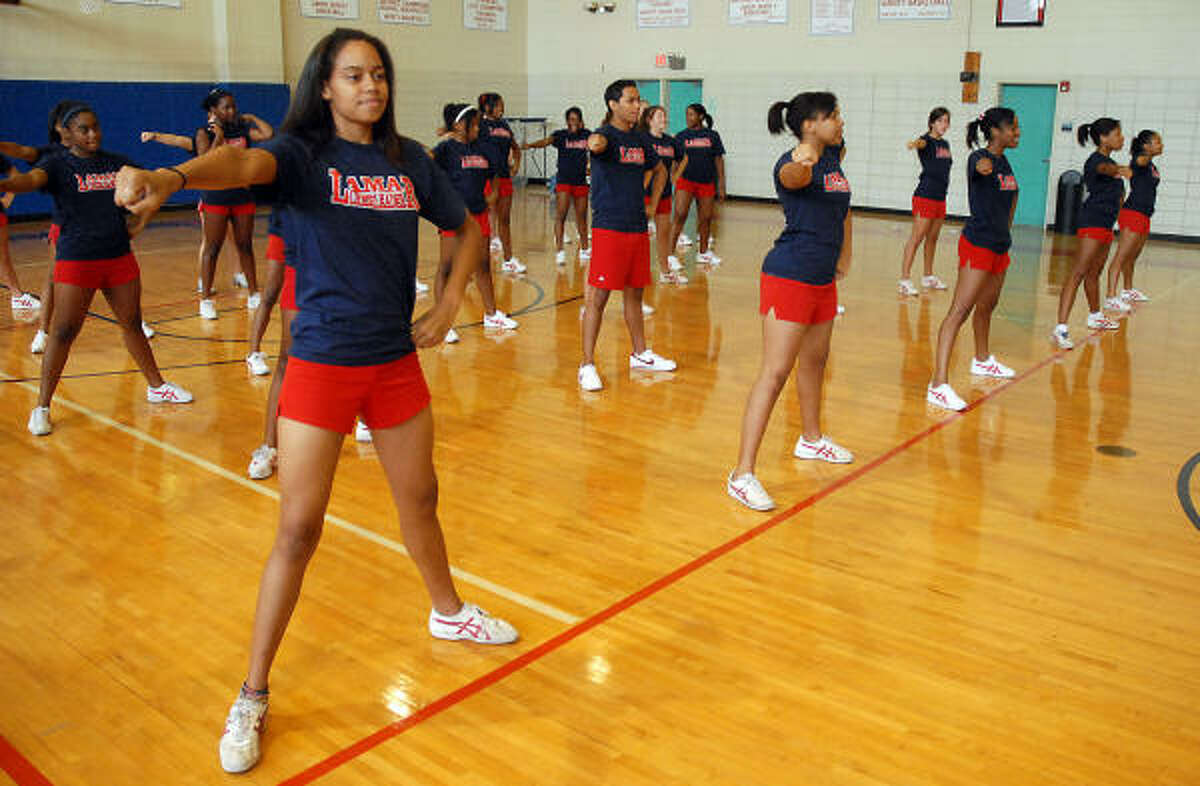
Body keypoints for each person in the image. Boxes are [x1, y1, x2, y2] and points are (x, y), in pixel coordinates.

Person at [114, 28, 519, 774]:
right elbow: (241, 162)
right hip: (323, 363)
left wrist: (449, 302)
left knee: (421, 499)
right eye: (354, 75)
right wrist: (171, 177)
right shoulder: (302, 155)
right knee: (298, 530)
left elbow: (465, 230)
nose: (371, 86)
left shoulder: (409, 160)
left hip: (393, 360)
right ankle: (252, 693)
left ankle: (449, 612)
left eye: (379, 74)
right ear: (325, 86)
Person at [0, 103, 193, 436]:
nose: (93, 134)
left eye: (96, 127)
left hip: (118, 256)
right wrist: (10, 183)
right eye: (84, 129)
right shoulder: (57, 164)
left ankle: (157, 387)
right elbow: (30, 181)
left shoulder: (117, 163)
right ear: (67, 133)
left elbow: (154, 187)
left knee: (132, 323)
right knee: (63, 331)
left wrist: (142, 222)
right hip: (77, 259)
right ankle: (42, 406)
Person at [727, 91, 853, 512]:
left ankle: (811, 439)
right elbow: (792, 179)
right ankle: (742, 474)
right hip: (789, 275)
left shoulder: (834, 159)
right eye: (833, 115)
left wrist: (845, 255)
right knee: (776, 371)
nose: (840, 121)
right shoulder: (792, 161)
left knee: (816, 362)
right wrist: (804, 160)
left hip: (821, 277)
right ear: (809, 125)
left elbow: (843, 209)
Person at [578, 79, 676, 393]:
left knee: (635, 294)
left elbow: (660, 171)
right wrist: (593, 142)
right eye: (630, 101)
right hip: (609, 225)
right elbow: (596, 144)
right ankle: (586, 364)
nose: (637, 106)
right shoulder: (606, 135)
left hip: (636, 225)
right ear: (613, 104)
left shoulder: (640, 139)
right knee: (598, 298)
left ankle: (640, 354)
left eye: (638, 100)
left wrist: (652, 204)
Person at [926, 107, 1021, 412]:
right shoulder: (979, 158)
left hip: (999, 246)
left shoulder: (1005, 161)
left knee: (987, 306)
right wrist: (982, 165)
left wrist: (1006, 232)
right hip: (978, 245)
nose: (1017, 133)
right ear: (995, 131)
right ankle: (938, 385)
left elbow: (1013, 196)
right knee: (959, 311)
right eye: (1013, 128)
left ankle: (981, 359)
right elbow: (979, 167)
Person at [432, 102, 518, 339]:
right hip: (454, 216)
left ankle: (491, 315)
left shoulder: (482, 148)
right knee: (447, 268)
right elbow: (426, 166)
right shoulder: (445, 149)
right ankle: (442, 322)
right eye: (475, 124)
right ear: (461, 125)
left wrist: (494, 192)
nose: (479, 128)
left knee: (483, 266)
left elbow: (495, 174)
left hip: (479, 215)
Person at [194, 87, 274, 320]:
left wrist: (252, 118)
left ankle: (254, 293)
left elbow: (268, 133)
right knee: (212, 249)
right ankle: (206, 300)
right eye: (226, 107)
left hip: (242, 195)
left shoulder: (241, 130)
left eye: (233, 106)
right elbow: (204, 164)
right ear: (213, 110)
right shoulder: (204, 133)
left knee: (245, 246)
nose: (231, 111)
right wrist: (219, 137)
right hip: (216, 197)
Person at [1052, 117, 1130, 349]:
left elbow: (1118, 196)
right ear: (1103, 138)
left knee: (1094, 274)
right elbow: (1103, 169)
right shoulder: (1096, 161)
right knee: (1078, 272)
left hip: (1106, 226)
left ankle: (1095, 315)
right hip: (1091, 224)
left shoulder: (1110, 162)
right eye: (1117, 134)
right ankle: (1061, 328)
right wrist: (1120, 170)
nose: (1121, 138)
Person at [522, 107, 591, 265]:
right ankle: (560, 251)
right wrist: (530, 145)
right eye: (571, 119)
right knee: (561, 215)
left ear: (581, 121)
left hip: (581, 181)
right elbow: (546, 142)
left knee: (582, 217)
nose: (573, 122)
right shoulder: (561, 135)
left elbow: (597, 145)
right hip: (564, 180)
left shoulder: (587, 134)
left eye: (576, 119)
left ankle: (584, 249)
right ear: (567, 121)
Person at [1104, 129, 1161, 310]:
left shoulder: (1151, 165)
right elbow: (1138, 162)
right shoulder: (1140, 160)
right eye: (1157, 142)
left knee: (1132, 256)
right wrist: (1142, 157)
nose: (1161, 145)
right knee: (1121, 256)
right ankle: (1110, 297)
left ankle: (1127, 290)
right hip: (1133, 213)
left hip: (1144, 215)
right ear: (1146, 146)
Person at [899, 107, 952, 295]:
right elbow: (921, 143)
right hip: (925, 195)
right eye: (940, 121)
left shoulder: (945, 144)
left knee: (932, 238)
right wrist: (915, 143)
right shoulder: (926, 141)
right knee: (917, 237)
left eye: (946, 121)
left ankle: (928, 276)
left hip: (940, 197)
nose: (944, 125)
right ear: (931, 123)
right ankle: (904, 280)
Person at [669, 103, 725, 265]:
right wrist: (673, 179)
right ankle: (669, 254)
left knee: (706, 218)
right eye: (687, 114)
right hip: (685, 181)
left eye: (691, 114)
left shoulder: (712, 136)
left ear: (701, 116)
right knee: (679, 214)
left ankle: (703, 253)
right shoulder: (681, 136)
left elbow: (719, 160)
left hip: (707, 182)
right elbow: (675, 161)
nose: (688, 118)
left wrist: (721, 185)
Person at [637, 104, 687, 284]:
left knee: (663, 234)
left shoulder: (670, 141)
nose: (664, 120)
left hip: (664, 193)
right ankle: (639, 272)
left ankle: (665, 272)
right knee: (639, 235)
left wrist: (675, 177)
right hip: (645, 194)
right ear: (649, 120)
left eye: (665, 116)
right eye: (659, 116)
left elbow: (684, 158)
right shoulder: (642, 139)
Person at [477, 92, 525, 273]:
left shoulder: (504, 125)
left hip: (504, 177)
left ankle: (508, 260)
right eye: (498, 105)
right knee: (481, 221)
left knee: (504, 220)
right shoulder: (480, 124)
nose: (502, 108)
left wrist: (516, 166)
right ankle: (475, 261)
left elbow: (516, 148)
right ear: (487, 107)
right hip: (486, 178)